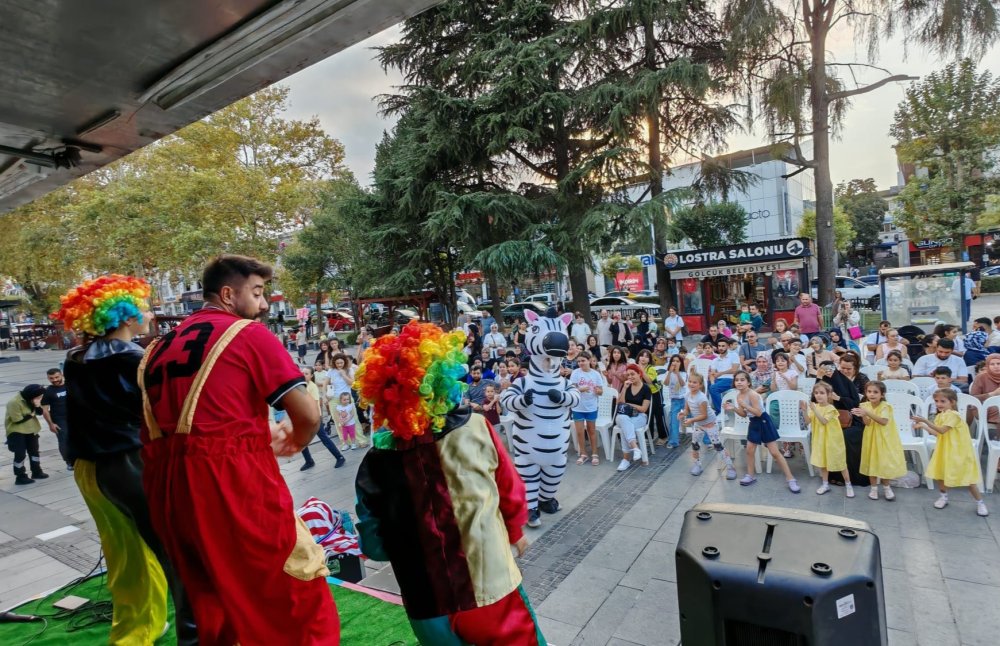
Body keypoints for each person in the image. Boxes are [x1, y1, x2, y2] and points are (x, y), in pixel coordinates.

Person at [139, 255, 339, 644]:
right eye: (257, 293)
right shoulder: (247, 334)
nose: (263, 305)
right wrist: (296, 440)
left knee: (210, 601)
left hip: (165, 488)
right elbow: (308, 414)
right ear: (229, 295)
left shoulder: (156, 347)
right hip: (229, 481)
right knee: (294, 594)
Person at [353, 321, 544, 645]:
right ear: (443, 380)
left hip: (425, 604)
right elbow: (511, 493)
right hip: (492, 587)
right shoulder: (477, 429)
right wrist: (514, 532)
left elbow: (374, 545)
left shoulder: (375, 462)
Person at [53, 275, 197, 645]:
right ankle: (196, 633)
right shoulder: (137, 359)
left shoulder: (74, 359)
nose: (149, 314)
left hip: (89, 469)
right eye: (144, 309)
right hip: (131, 463)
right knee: (174, 550)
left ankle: (136, 630)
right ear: (127, 315)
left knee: (125, 553)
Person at [912, 389, 988, 516]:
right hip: (945, 450)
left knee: (968, 478)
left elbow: (942, 430)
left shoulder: (954, 415)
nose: (939, 404)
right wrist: (924, 426)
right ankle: (944, 497)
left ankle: (980, 502)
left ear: (952, 402)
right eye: (936, 401)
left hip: (959, 451)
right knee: (941, 475)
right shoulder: (940, 416)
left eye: (943, 401)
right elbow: (938, 433)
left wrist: (925, 421)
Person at [727, 371, 798, 491]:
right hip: (753, 422)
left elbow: (759, 412)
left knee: (775, 452)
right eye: (737, 380)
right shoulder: (739, 396)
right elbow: (744, 414)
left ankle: (791, 479)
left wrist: (745, 405)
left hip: (763, 421)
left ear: (748, 382)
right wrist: (734, 408)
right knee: (749, 451)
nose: (739, 382)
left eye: (742, 380)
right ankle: (750, 475)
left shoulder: (752, 394)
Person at [853, 381, 906, 501]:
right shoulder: (864, 405)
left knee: (883, 463)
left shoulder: (885, 406)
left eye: (875, 392)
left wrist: (867, 412)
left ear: (882, 394)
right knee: (872, 462)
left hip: (884, 438)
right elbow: (867, 423)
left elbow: (883, 421)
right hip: (870, 437)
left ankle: (887, 487)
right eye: (869, 391)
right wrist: (863, 415)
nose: (872, 394)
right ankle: (873, 488)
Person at [679, 372, 735, 478]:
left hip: (710, 424)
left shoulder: (701, 398)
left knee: (718, 446)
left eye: (694, 382)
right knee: (695, 445)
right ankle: (697, 465)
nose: (691, 384)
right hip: (699, 424)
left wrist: (691, 420)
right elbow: (687, 409)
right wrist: (683, 413)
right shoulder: (687, 395)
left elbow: (704, 415)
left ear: (700, 385)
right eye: (690, 381)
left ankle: (730, 467)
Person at [806, 381, 854, 498]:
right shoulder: (815, 407)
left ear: (828, 395)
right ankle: (825, 484)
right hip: (820, 439)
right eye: (816, 393)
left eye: (822, 393)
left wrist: (814, 409)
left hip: (833, 440)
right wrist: (803, 410)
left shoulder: (831, 408)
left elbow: (824, 421)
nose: (818, 395)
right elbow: (808, 421)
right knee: (823, 463)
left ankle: (848, 485)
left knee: (840, 462)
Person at [299, 367, 346, 470]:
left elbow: (315, 403)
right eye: (302, 373)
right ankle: (309, 461)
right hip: (303, 418)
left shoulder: (312, 387)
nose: (303, 375)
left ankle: (340, 457)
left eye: (306, 373)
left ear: (311, 375)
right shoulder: (300, 386)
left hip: (314, 417)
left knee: (324, 439)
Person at [5, 384, 47, 485]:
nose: (40, 398)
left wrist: (37, 405)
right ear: (31, 395)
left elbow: (40, 413)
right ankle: (20, 476)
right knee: (20, 454)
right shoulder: (14, 402)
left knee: (34, 452)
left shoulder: (33, 400)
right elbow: (17, 420)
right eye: (38, 396)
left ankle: (36, 472)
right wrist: (31, 415)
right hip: (17, 431)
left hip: (32, 430)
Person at [570, 351, 605, 466]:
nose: (581, 363)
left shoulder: (596, 374)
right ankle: (583, 454)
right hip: (578, 407)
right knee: (580, 432)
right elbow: (572, 389)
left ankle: (595, 453)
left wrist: (598, 391)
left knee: (591, 431)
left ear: (589, 360)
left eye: (583, 361)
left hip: (591, 407)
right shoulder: (575, 373)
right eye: (579, 361)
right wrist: (581, 389)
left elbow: (601, 391)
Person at [614, 365, 650, 472]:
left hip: (640, 416)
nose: (630, 377)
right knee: (623, 419)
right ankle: (635, 447)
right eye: (628, 375)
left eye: (632, 374)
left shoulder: (646, 389)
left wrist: (629, 404)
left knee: (625, 427)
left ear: (639, 374)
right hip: (624, 416)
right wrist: (624, 388)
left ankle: (626, 459)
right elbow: (619, 403)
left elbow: (643, 409)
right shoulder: (626, 385)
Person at [41, 367, 72, 470]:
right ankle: (69, 462)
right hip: (59, 420)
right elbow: (45, 410)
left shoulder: (70, 385)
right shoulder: (48, 391)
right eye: (51, 378)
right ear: (48, 378)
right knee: (64, 440)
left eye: (56, 377)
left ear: (62, 375)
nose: (54, 380)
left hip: (75, 418)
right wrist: (51, 424)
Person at [637, 350, 667, 446]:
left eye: (646, 356)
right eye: (642, 355)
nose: (643, 358)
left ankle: (663, 436)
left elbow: (649, 381)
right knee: (646, 415)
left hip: (655, 393)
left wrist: (641, 370)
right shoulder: (636, 368)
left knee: (658, 415)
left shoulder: (651, 368)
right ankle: (648, 436)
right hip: (644, 395)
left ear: (649, 359)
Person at [970, 353, 1000, 438]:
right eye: (992, 364)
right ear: (987, 366)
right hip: (983, 407)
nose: (996, 366)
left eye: (998, 364)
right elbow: (973, 398)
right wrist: (992, 394)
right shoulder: (981, 377)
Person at [707, 340, 740, 412]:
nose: (721, 348)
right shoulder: (715, 360)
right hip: (718, 380)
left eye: (723, 346)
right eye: (719, 346)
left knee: (713, 388)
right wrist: (712, 383)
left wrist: (721, 373)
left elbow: (734, 370)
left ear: (727, 346)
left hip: (730, 379)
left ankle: (720, 411)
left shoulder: (733, 355)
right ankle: (709, 409)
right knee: (707, 384)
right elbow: (712, 374)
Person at [664, 355, 686, 449]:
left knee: (697, 416)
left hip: (685, 399)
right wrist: (670, 372)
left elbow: (682, 384)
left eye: (677, 361)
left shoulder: (683, 373)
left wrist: (677, 373)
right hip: (675, 400)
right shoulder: (668, 373)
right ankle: (673, 441)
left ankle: (707, 439)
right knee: (673, 420)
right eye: (673, 361)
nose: (675, 363)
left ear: (681, 363)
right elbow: (665, 383)